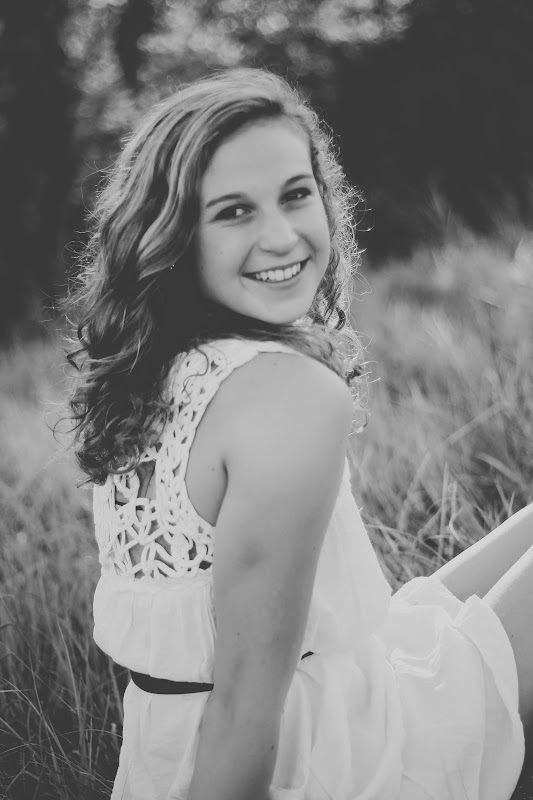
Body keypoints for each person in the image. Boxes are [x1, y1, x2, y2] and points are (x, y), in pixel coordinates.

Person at [65, 68, 532, 800]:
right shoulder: (288, 395)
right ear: (175, 235)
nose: (281, 237)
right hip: (320, 755)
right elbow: (245, 707)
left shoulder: (159, 367)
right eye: (233, 212)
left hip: (178, 747)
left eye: (294, 194)